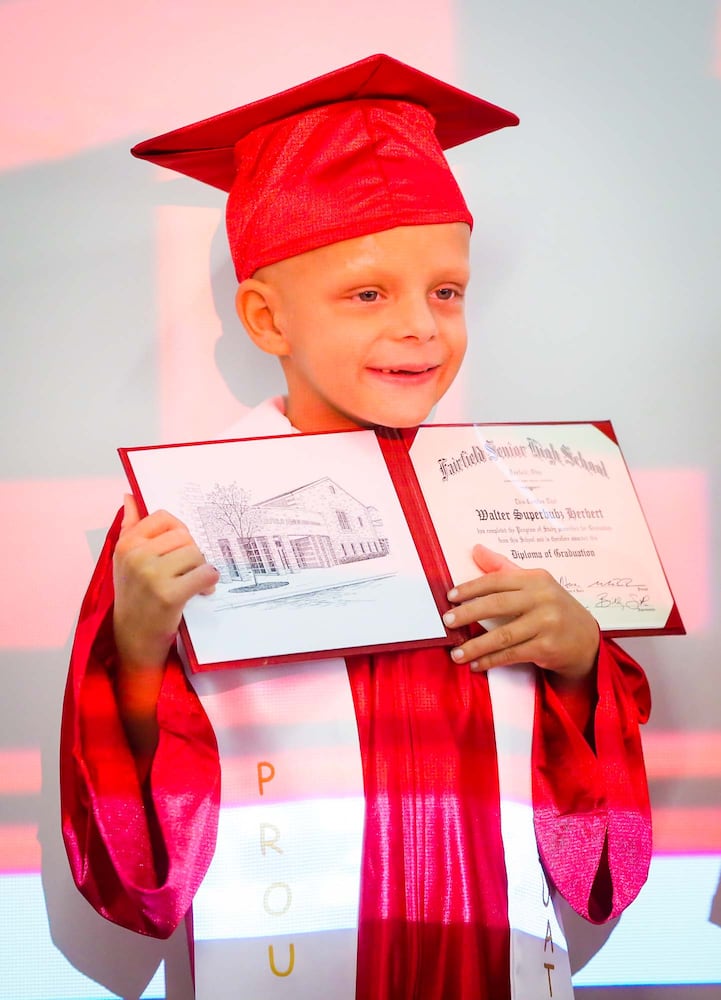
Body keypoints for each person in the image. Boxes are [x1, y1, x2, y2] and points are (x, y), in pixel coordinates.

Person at [60, 54, 651, 1000]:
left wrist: (580, 659)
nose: (421, 327)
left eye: (446, 291)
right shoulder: (174, 518)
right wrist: (135, 640)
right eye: (367, 294)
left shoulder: (516, 495)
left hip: (485, 944)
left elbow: (589, 803)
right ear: (265, 318)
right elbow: (126, 813)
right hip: (296, 945)